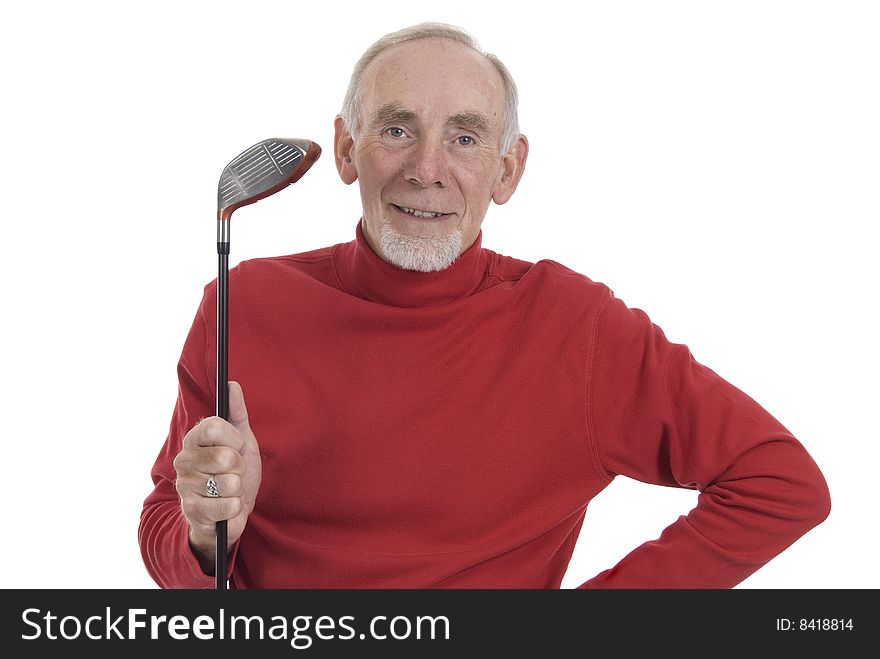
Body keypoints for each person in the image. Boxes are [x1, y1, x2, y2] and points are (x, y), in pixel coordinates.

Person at [139, 22, 830, 589]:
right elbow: (163, 528)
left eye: (465, 139)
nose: (428, 169)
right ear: (348, 150)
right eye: (397, 130)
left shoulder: (575, 326)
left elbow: (779, 481)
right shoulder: (243, 305)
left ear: (508, 170)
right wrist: (208, 533)